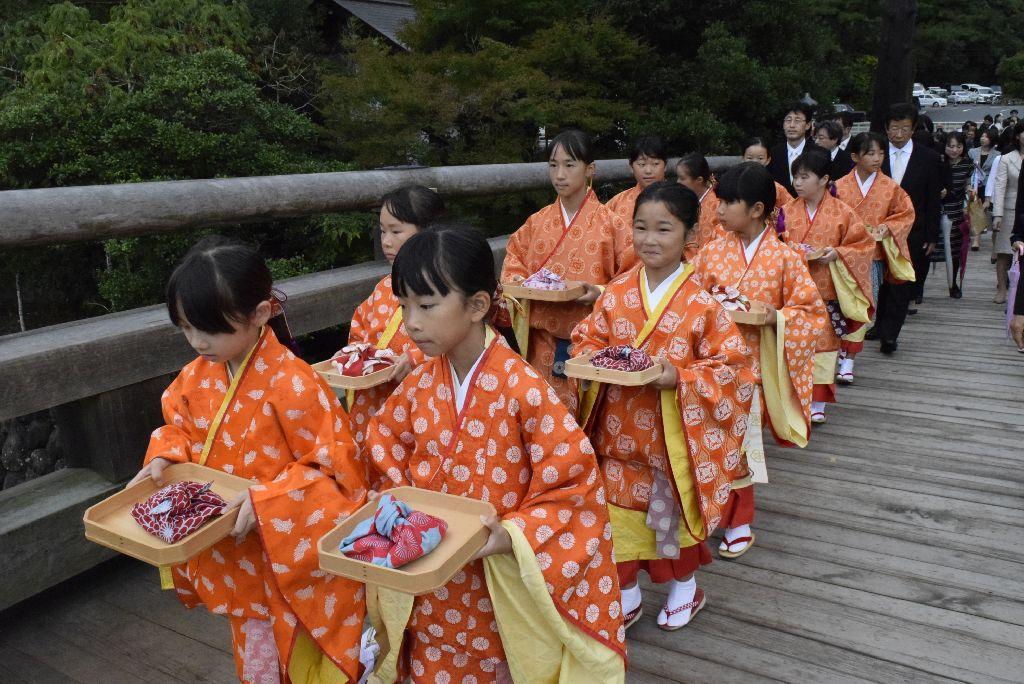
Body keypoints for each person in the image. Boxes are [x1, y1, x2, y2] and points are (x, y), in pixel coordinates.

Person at [364, 226, 627, 683]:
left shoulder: (523, 388)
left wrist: (513, 535)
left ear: (478, 305)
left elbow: (574, 486)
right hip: (429, 579)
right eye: (404, 305)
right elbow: (384, 450)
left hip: (495, 581)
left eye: (426, 306)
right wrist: (387, 508)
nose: (411, 322)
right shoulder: (420, 384)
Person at [130, 237, 368, 683]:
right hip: (234, 546)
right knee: (256, 648)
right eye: (185, 327)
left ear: (261, 313)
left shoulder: (294, 383)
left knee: (288, 659)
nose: (198, 341)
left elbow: (335, 471)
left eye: (211, 327)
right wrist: (164, 456)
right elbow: (177, 427)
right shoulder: (195, 377)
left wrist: (270, 501)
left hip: (282, 550)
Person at [571, 181, 753, 631]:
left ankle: (685, 589)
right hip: (615, 436)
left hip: (671, 442)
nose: (649, 240)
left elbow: (733, 369)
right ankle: (628, 591)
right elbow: (586, 338)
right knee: (616, 521)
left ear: (691, 234)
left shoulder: (703, 304)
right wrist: (593, 356)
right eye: (640, 228)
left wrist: (678, 376)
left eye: (663, 229)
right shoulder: (615, 293)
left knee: (670, 520)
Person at [690, 163, 826, 560]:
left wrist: (775, 317)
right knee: (710, 440)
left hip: (754, 368)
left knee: (741, 445)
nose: (719, 210)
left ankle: (740, 520)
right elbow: (691, 300)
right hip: (711, 365)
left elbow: (810, 313)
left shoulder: (784, 258)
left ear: (756, 209)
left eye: (730, 202)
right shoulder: (710, 253)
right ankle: (714, 511)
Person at [502, 129, 633, 410]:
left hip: (593, 343)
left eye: (570, 164)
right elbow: (513, 262)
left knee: (588, 420)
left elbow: (632, 279)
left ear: (590, 170)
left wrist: (597, 291)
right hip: (541, 344)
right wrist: (519, 284)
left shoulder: (612, 224)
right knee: (543, 418)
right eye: (553, 165)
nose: (560, 174)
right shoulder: (536, 223)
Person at [347, 185, 444, 461]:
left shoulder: (445, 288)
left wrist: (415, 358)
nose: (386, 241)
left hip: (423, 401)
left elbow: (460, 339)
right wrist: (359, 359)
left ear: (426, 231)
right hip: (377, 398)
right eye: (382, 231)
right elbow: (359, 329)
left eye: (396, 231)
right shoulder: (382, 287)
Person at [782, 149, 875, 423]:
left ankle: (818, 404)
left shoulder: (842, 212)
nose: (797, 183)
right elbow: (774, 244)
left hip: (827, 291)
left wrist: (838, 253)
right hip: (793, 293)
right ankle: (794, 398)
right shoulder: (785, 212)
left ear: (824, 179)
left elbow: (864, 245)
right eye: (795, 177)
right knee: (794, 345)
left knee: (823, 348)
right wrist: (791, 250)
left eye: (804, 177)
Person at [834, 133, 916, 382]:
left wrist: (888, 227)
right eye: (870, 153)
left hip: (871, 256)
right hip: (842, 255)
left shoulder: (890, 187)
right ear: (855, 156)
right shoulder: (838, 186)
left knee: (861, 307)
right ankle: (838, 350)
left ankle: (849, 359)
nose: (877, 158)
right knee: (838, 306)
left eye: (880, 153)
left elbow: (905, 213)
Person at [876, 103, 942, 352]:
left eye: (905, 129)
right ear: (886, 128)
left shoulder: (929, 158)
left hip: (913, 230)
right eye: (894, 128)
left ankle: (891, 334)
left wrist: (931, 235)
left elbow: (933, 199)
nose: (899, 134)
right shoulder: (876, 154)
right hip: (879, 229)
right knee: (879, 280)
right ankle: (879, 324)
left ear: (913, 128)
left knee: (901, 283)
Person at [939, 132, 975, 298]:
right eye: (950, 146)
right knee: (931, 249)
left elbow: (968, 183)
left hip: (957, 211)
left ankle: (953, 284)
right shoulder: (938, 161)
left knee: (954, 250)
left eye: (958, 146)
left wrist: (970, 191)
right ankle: (918, 289)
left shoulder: (967, 164)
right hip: (937, 209)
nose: (954, 150)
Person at [992, 123, 1024, 304]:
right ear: (1018, 136)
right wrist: (997, 214)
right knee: (1004, 251)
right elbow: (1000, 186)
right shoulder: (1007, 159)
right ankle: (1002, 288)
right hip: (1010, 209)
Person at [606, 135, 668, 223]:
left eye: (655, 163)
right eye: (642, 164)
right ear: (631, 167)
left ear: (665, 166)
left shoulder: (682, 199)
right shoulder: (617, 202)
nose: (648, 171)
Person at [768, 103, 819, 196]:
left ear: (808, 125)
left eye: (797, 120)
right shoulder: (773, 154)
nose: (792, 125)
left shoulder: (819, 154)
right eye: (788, 120)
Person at [676, 152, 723, 249]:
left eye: (682, 178)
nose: (678, 182)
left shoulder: (717, 205)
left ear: (699, 180)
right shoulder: (685, 199)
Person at [743, 137, 795, 209]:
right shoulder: (732, 184)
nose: (754, 162)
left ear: (768, 160)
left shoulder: (777, 189)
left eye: (760, 158)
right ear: (743, 158)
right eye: (750, 158)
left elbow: (792, 209)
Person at [969, 129, 999, 251]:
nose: (983, 138)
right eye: (982, 136)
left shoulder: (997, 155)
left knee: (986, 210)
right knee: (976, 210)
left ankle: (992, 239)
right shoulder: (972, 152)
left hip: (989, 185)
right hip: (975, 184)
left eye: (986, 137)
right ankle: (976, 240)